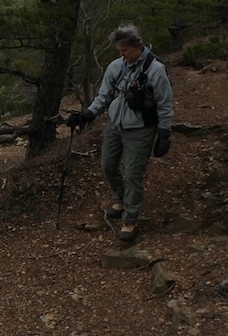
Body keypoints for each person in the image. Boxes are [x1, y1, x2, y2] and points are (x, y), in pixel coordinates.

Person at [65, 25, 173, 242]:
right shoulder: (115, 67)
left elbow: (165, 102)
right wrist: (87, 115)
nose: (121, 54)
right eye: (119, 50)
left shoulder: (155, 70)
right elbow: (103, 96)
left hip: (141, 128)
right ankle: (121, 198)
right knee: (108, 164)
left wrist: (164, 133)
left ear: (137, 46)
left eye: (124, 50)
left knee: (133, 173)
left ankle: (130, 219)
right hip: (115, 124)